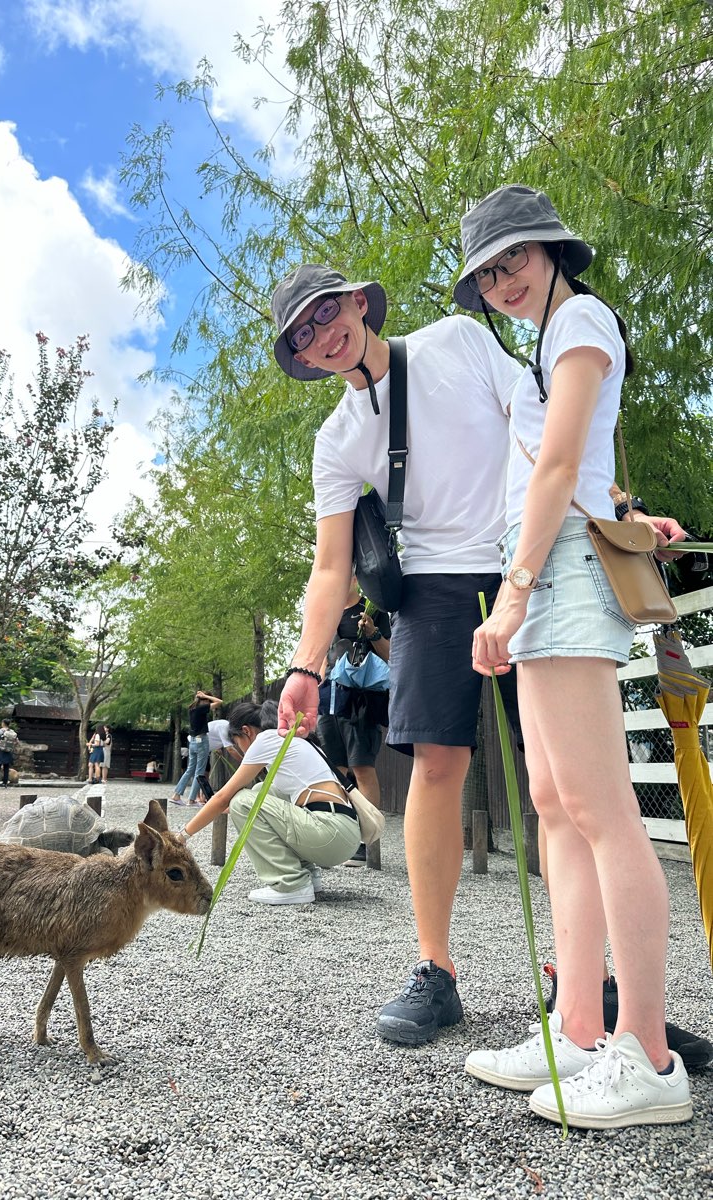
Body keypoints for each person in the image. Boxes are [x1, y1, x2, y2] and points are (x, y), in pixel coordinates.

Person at [270, 262, 686, 1050]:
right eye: (303, 335)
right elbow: (330, 571)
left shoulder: (458, 341)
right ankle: (435, 968)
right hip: (430, 586)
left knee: (563, 781)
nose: (322, 337)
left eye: (326, 314)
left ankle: (593, 986)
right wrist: (305, 665)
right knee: (436, 763)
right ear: (300, 355)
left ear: (359, 303)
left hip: (526, 556)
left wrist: (620, 511)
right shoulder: (338, 439)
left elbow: (541, 427)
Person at [456, 184, 691, 1127]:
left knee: (599, 809)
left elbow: (558, 469)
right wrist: (629, 515)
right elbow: (580, 469)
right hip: (549, 570)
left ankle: (648, 1052)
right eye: (488, 271)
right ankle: (582, 1028)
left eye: (515, 258)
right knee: (557, 806)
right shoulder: (547, 346)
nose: (504, 279)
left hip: (553, 579)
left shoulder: (583, 319)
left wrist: (512, 593)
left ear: (550, 250)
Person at [175, 700, 361, 904]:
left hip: (329, 833)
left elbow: (222, 797)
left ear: (246, 732)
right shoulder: (296, 739)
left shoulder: (265, 739)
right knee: (261, 790)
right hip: (344, 834)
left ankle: (291, 884)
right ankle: (307, 873)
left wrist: (182, 836)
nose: (242, 752)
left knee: (242, 801)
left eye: (237, 743)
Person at [316, 576, 390, 866]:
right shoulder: (327, 610)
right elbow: (320, 653)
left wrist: (372, 633)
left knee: (362, 767)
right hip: (328, 700)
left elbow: (391, 653)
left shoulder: (372, 609)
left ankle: (365, 840)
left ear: (356, 578)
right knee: (334, 769)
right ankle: (340, 834)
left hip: (361, 700)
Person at [171, 690, 222, 806]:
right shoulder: (201, 708)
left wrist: (203, 697)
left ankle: (176, 795)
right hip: (201, 741)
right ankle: (192, 799)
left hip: (192, 742)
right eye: (208, 700)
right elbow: (220, 702)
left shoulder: (192, 709)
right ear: (203, 700)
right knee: (199, 772)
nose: (209, 702)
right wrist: (205, 696)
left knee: (190, 770)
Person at [0, 719, 17, 788]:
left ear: (3, 723)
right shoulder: (12, 732)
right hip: (8, 751)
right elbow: (16, 742)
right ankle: (4, 783)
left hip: (1, 750)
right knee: (6, 767)